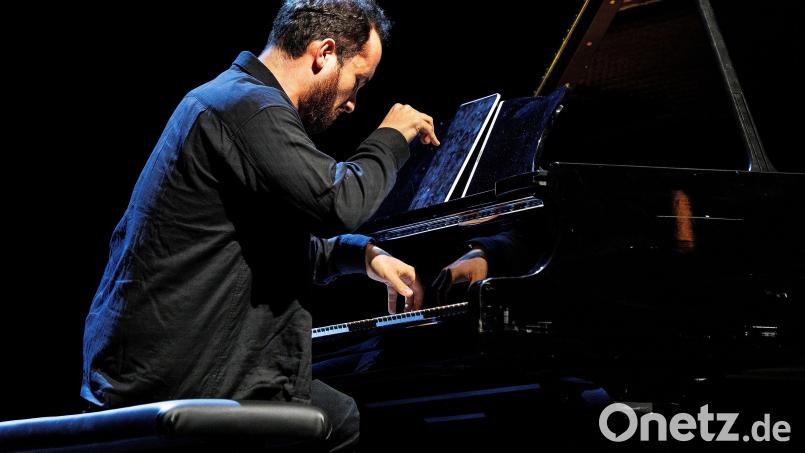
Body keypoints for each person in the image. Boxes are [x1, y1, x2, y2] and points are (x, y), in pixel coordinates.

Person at [81, 1, 438, 451]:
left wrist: (363, 255)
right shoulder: (248, 107)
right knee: (344, 419)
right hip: (179, 374)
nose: (352, 102)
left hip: (165, 364)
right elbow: (338, 201)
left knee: (340, 411)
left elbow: (269, 244)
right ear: (324, 53)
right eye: (358, 81)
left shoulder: (235, 99)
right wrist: (391, 135)